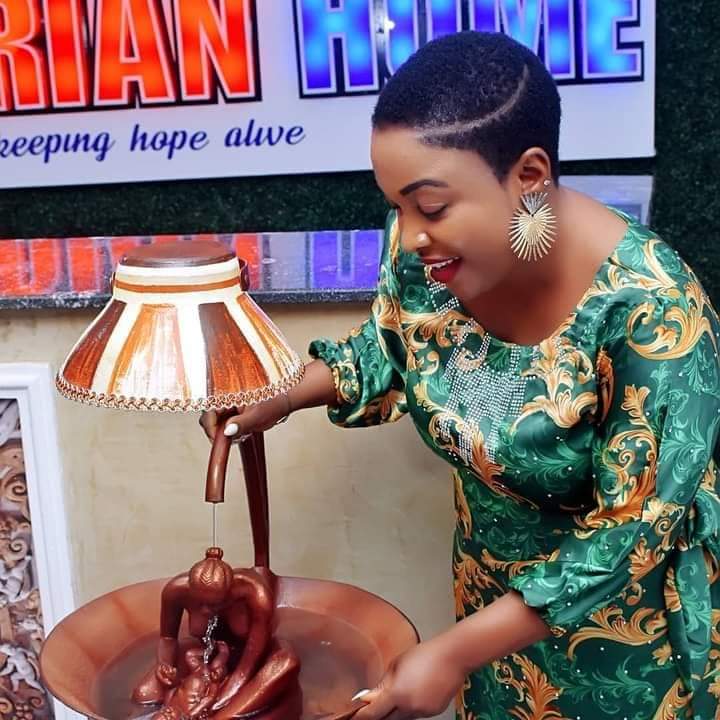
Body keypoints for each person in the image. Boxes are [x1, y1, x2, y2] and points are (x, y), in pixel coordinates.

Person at [201, 31, 720, 720]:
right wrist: (284, 394)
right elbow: (395, 347)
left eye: (432, 207)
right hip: (487, 612)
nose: (410, 233)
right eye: (397, 205)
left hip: (626, 644)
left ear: (529, 177)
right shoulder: (432, 258)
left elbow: (633, 530)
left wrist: (452, 654)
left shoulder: (654, 313)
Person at [133, 547, 299, 716]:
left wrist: (216, 702)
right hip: (206, 658)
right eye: (200, 603)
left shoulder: (256, 594)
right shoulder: (175, 591)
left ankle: (223, 717)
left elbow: (246, 668)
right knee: (145, 693)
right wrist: (165, 665)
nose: (205, 611)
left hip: (251, 662)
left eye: (214, 605)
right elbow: (168, 638)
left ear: (230, 593)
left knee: (287, 663)